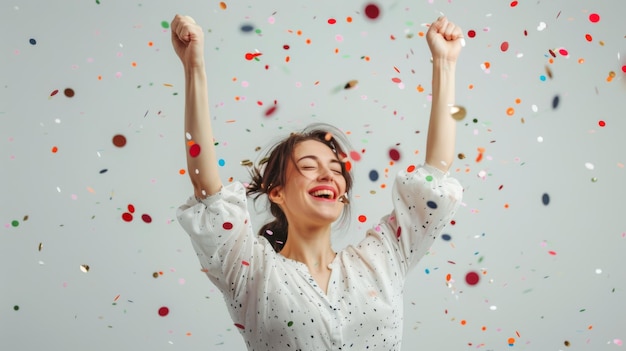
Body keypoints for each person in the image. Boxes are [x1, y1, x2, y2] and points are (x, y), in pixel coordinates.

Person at [173, 13, 464, 351]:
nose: (328, 174)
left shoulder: (382, 257)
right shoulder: (251, 274)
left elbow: (435, 174)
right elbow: (208, 192)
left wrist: (444, 62)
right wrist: (194, 67)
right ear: (276, 191)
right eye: (309, 166)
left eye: (336, 169)